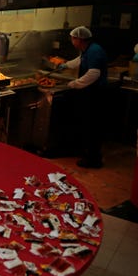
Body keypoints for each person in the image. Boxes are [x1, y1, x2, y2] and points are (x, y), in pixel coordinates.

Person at [59, 26, 108, 169]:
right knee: (87, 125)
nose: (72, 41)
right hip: (91, 92)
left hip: (96, 93)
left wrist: (75, 83)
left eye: (73, 38)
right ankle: (86, 153)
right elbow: (80, 60)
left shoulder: (94, 51)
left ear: (79, 39)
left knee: (93, 126)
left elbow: (94, 73)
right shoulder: (88, 49)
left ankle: (93, 160)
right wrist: (66, 65)